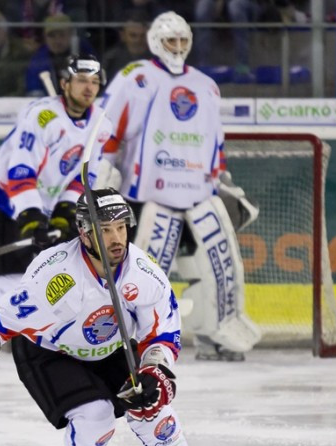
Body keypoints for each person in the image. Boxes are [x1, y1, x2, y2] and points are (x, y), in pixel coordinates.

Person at [0, 187, 236, 446]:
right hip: (50, 353)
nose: (116, 238)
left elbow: (162, 332)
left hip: (110, 348)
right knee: (96, 416)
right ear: (84, 232)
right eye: (105, 230)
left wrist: (156, 370)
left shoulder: (144, 273)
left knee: (157, 414)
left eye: (121, 228)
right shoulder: (56, 276)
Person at [101, 11, 262, 362]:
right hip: (151, 196)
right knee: (146, 269)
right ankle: (129, 335)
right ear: (156, 41)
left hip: (200, 193)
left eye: (182, 41)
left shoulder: (206, 85)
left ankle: (217, 332)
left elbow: (214, 141)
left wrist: (223, 179)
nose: (176, 48)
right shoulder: (136, 78)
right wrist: (103, 176)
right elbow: (106, 130)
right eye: (170, 41)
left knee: (221, 267)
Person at [0, 54, 112, 308]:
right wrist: (30, 215)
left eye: (95, 82)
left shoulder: (101, 124)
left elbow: (85, 174)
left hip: (50, 207)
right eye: (82, 80)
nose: (89, 88)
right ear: (64, 84)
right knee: (11, 279)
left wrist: (67, 208)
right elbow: (20, 169)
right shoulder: (41, 117)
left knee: (53, 277)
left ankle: (34, 338)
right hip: (8, 204)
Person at [23, 13, 95, 96]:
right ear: (45, 38)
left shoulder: (86, 53)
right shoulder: (38, 60)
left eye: (62, 35)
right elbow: (34, 92)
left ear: (71, 34)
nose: (57, 41)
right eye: (52, 36)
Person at [101, 10, 152, 76]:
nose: (138, 40)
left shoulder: (159, 59)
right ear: (123, 35)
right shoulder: (110, 60)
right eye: (133, 35)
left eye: (143, 35)